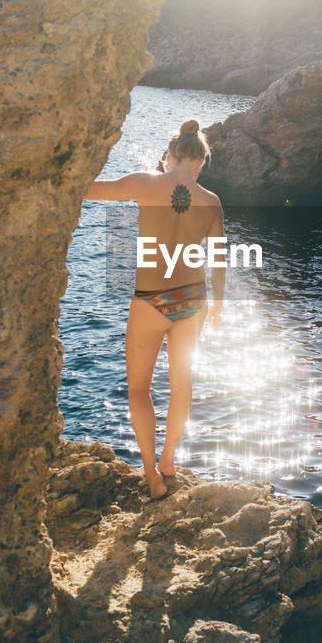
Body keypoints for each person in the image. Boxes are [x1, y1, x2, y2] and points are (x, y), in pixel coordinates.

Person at [83, 118, 224, 500]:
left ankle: (151, 475)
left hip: (150, 299)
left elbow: (89, 189)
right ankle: (168, 459)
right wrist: (218, 306)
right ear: (199, 162)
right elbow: (219, 261)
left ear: (169, 156)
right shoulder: (211, 201)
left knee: (138, 388)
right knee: (182, 387)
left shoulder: (145, 184)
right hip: (192, 300)